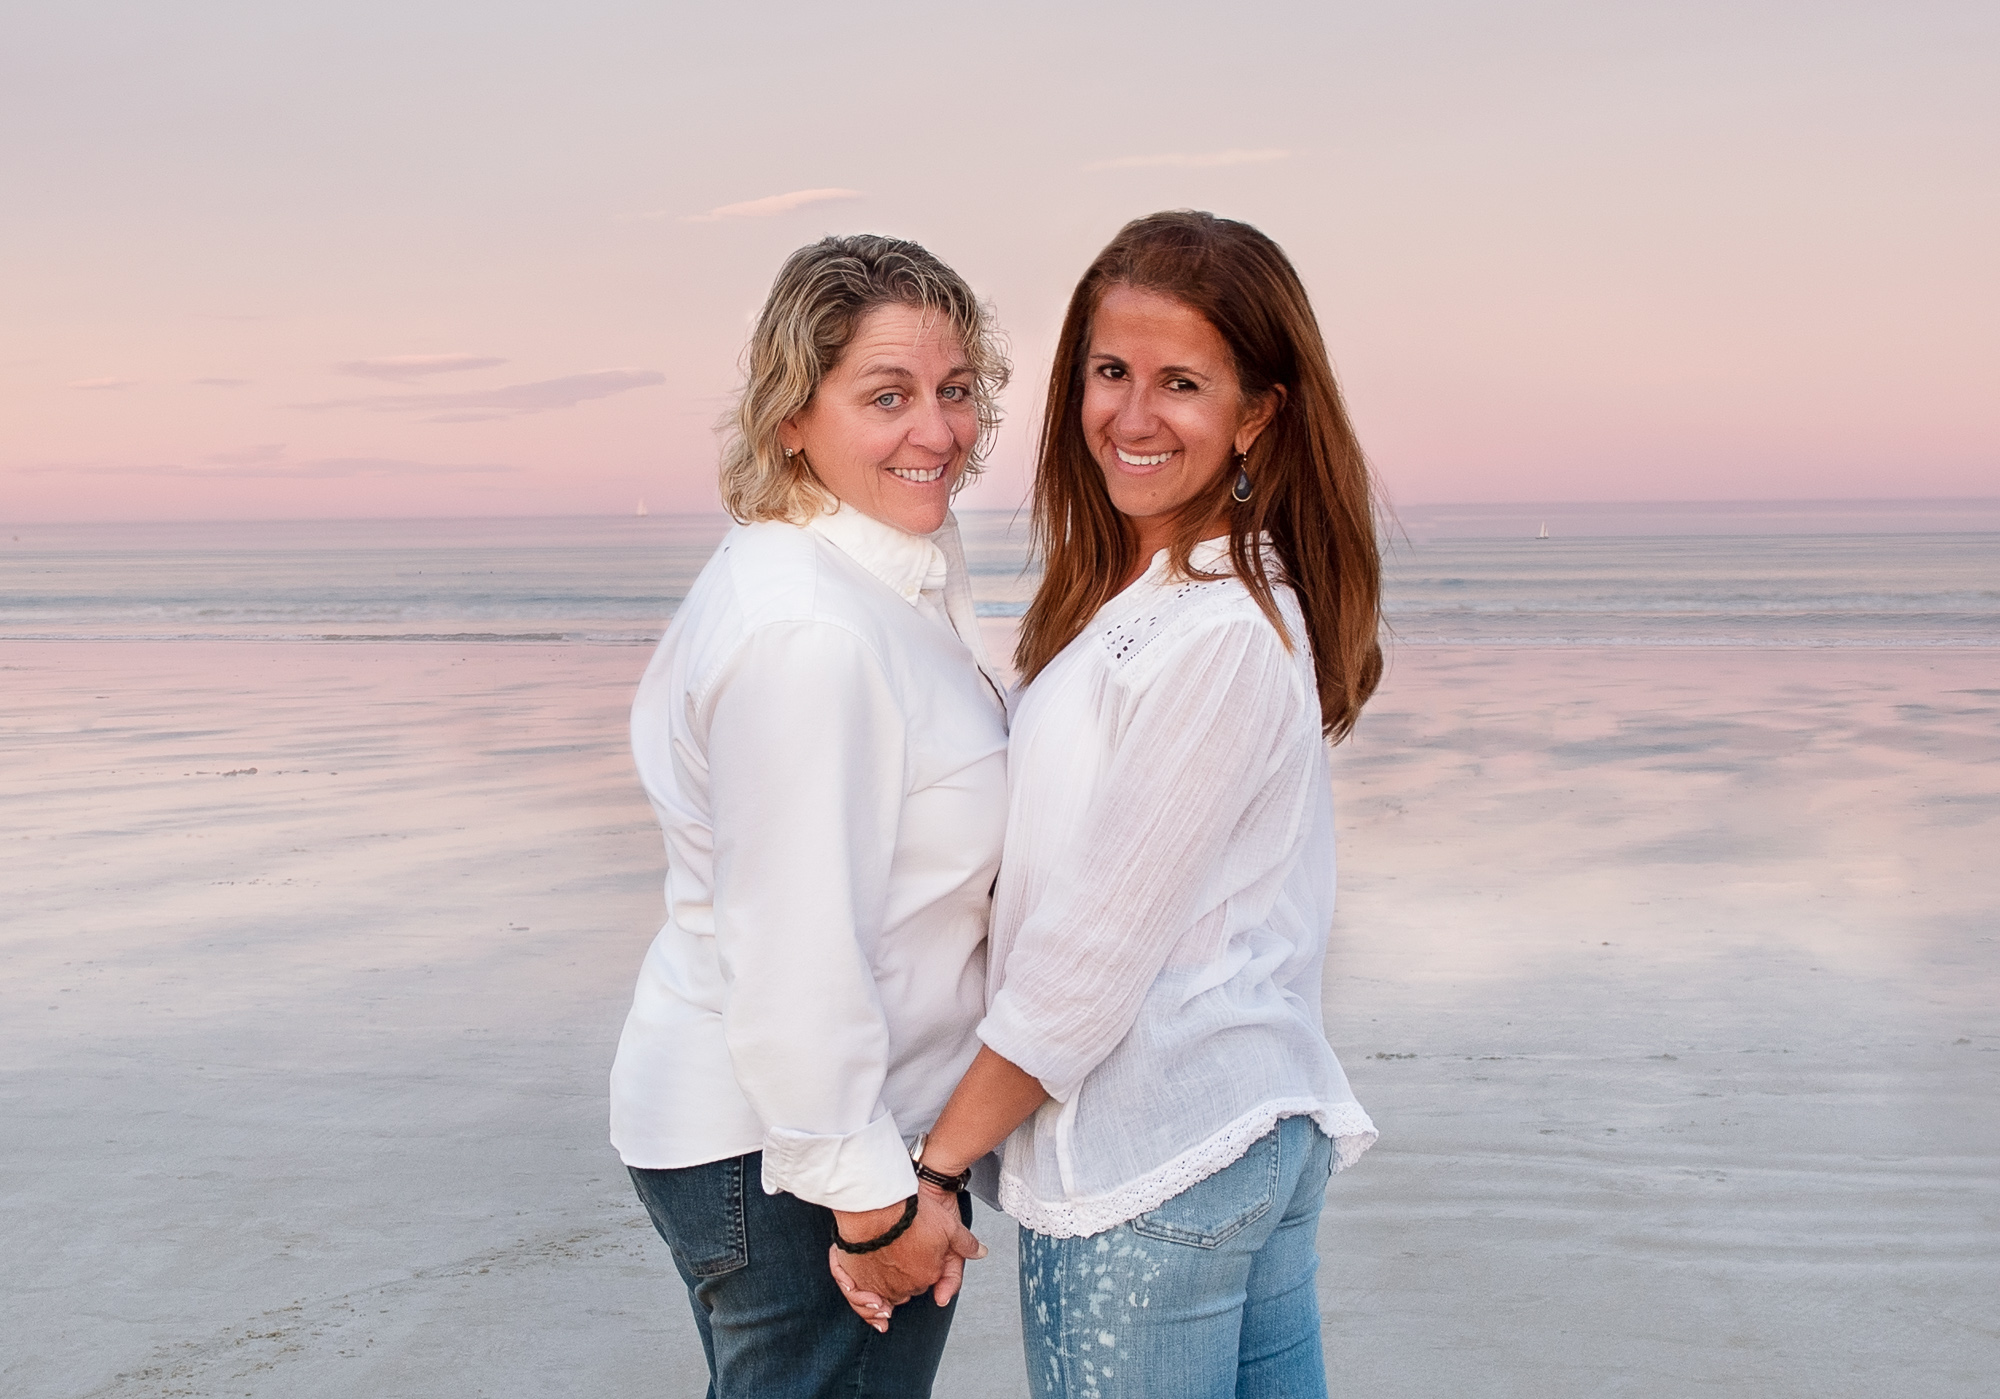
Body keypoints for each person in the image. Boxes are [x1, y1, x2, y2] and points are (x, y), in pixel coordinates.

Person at [835, 210, 1384, 1397]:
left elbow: (1084, 967)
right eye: (1108, 372)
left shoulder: (1218, 632)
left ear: (1256, 414)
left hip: (1158, 1156)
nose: (1131, 417)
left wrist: (927, 1178)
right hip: (1231, 1134)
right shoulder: (1147, 598)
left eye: (1180, 382)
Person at [610, 233, 1011, 1398]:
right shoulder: (811, 633)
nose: (934, 432)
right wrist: (874, 1206)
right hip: (798, 1156)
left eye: (954, 391)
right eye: (886, 396)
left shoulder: (873, 576)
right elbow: (791, 946)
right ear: (792, 415)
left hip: (813, 1141)